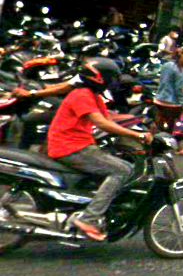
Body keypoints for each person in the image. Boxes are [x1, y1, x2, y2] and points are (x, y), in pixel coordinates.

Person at [47, 58, 151, 241]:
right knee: (122, 170)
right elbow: (102, 123)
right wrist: (138, 136)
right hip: (70, 147)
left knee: (124, 165)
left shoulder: (92, 96)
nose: (113, 83)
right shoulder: (82, 95)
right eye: (112, 79)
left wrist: (139, 122)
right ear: (100, 79)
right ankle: (89, 218)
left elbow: (109, 118)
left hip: (78, 145)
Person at [153, 47, 183, 156]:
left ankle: (155, 144)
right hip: (172, 103)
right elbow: (179, 89)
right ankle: (179, 148)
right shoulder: (180, 69)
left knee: (159, 124)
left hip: (159, 99)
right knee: (177, 126)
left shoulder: (166, 65)